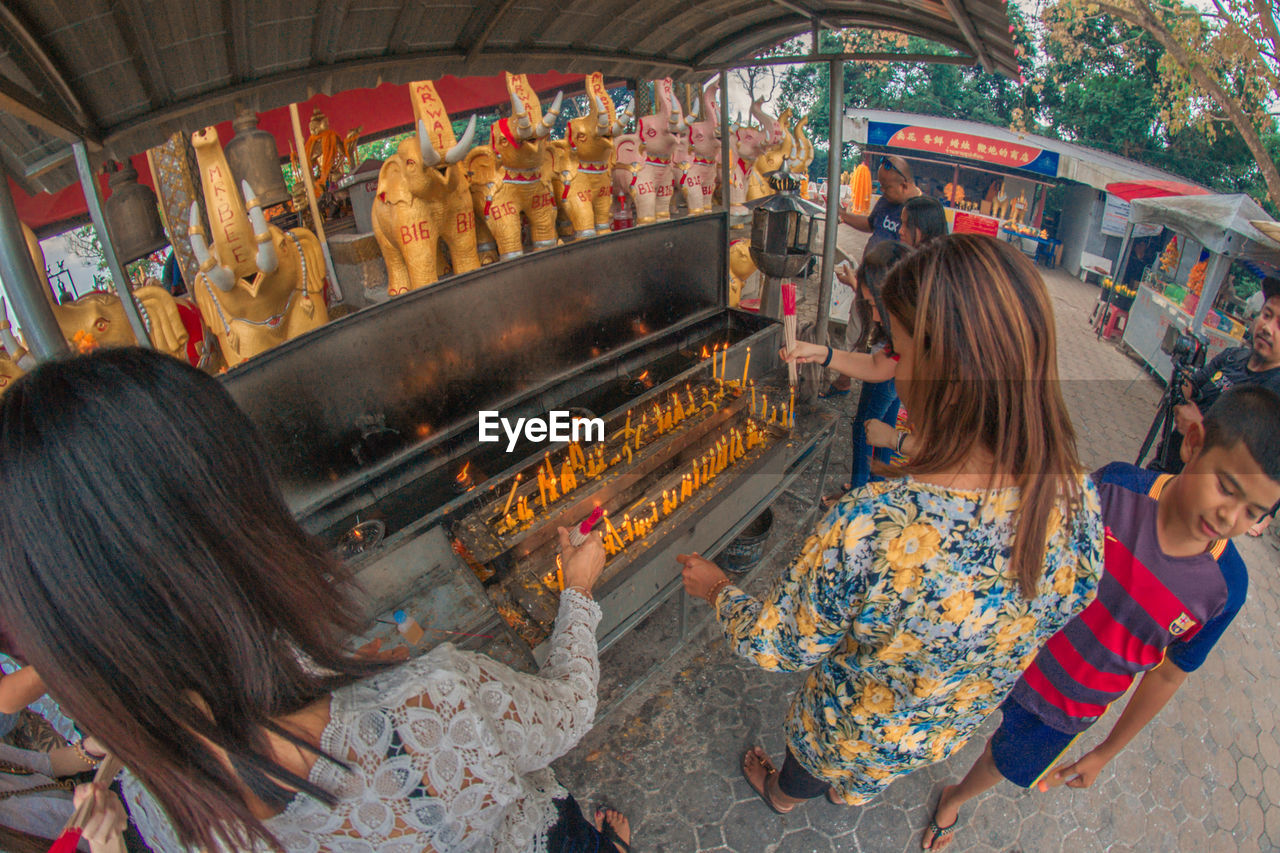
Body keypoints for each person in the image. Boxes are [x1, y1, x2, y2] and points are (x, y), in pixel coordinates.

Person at [0, 348, 631, 853]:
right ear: (242, 536)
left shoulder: (152, 806)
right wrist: (577, 591)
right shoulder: (432, 707)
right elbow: (569, 713)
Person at [680, 234, 1104, 812]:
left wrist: (717, 590)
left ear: (945, 371)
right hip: (939, 732)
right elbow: (1067, 602)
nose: (894, 375)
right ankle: (848, 797)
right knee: (861, 782)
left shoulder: (874, 527)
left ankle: (782, 795)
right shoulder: (1078, 496)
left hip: (846, 723)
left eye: (900, 355)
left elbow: (778, 646)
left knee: (809, 772)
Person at [921, 386, 1280, 850]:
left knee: (1003, 761)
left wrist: (1107, 753)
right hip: (1009, 655)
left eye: (1253, 512)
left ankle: (955, 796)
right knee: (945, 711)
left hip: (1069, 710)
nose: (1230, 515)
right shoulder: (1117, 487)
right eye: (1226, 487)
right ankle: (882, 760)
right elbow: (1045, 544)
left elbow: (1170, 676)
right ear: (1192, 441)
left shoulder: (1227, 588)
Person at [797, 241, 911, 501]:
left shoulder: (938, 347)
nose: (876, 317)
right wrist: (819, 353)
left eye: (874, 306)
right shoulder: (905, 336)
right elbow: (877, 365)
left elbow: (958, 449)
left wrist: (896, 440)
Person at [1152, 274, 1280, 476]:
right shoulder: (1233, 357)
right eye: (1267, 315)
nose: (1267, 328)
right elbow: (1193, 385)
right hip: (1166, 464)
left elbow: (1247, 466)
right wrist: (1183, 373)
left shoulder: (1273, 393)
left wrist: (1198, 428)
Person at [826, 154, 922, 398]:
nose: (882, 191)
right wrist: (843, 215)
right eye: (879, 185)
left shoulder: (918, 213)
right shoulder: (885, 202)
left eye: (887, 187)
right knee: (858, 328)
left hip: (889, 291)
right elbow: (871, 224)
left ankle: (880, 393)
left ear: (905, 184)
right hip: (867, 282)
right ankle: (846, 379)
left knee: (885, 349)